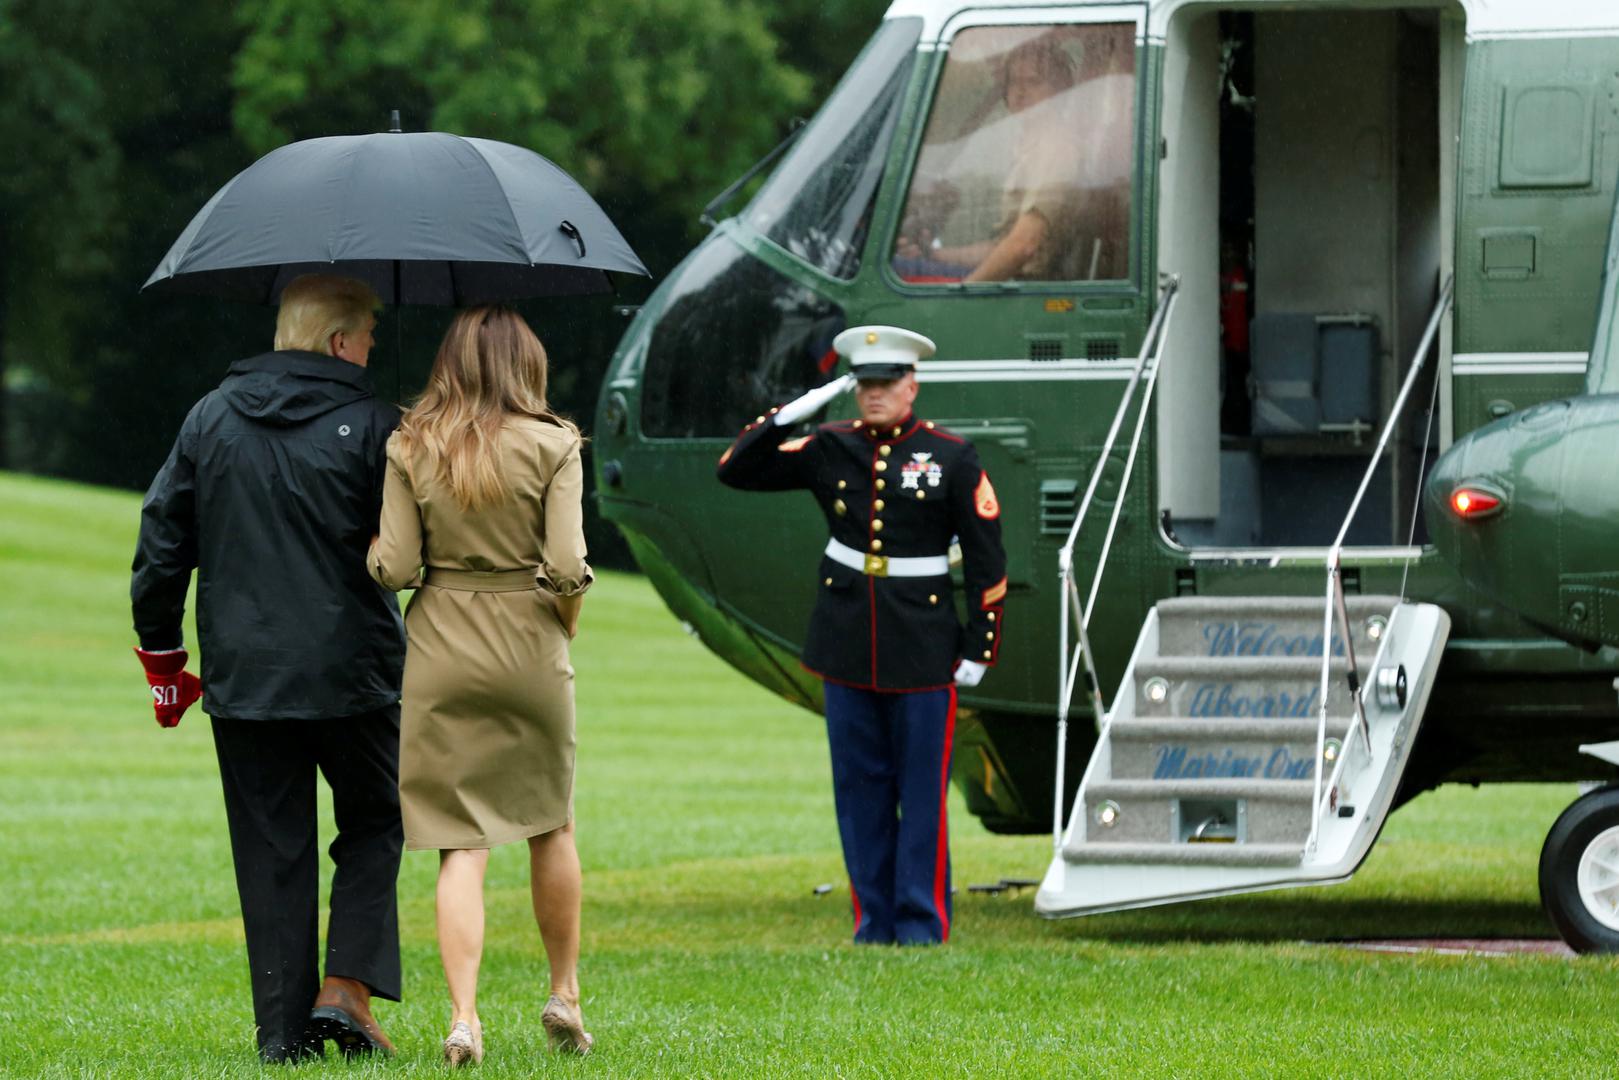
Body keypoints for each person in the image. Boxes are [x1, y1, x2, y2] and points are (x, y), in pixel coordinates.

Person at [130, 273, 406, 1062]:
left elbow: (160, 547)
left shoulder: (208, 418)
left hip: (244, 674)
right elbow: (403, 552)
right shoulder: (375, 423)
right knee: (378, 818)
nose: (372, 350)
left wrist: (163, 653)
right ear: (337, 342)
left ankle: (285, 1037)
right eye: (369, 338)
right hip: (355, 670)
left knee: (270, 848)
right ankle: (345, 989)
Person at [716, 325, 1008, 945]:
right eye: (864, 384)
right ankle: (873, 923)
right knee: (860, 792)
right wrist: (794, 412)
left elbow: (987, 558)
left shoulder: (952, 456)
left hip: (925, 644)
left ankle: (922, 923)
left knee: (921, 793)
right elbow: (736, 470)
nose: (873, 395)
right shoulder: (829, 445)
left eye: (886, 383)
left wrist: (981, 644)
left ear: (912, 385)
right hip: (847, 640)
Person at [367, 306, 594, 1064]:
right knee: (550, 824)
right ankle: (563, 993)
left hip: (440, 647)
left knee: (458, 843)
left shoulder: (410, 443)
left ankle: (464, 1016)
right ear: (526, 366)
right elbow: (565, 564)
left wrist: (371, 549)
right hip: (530, 640)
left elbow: (395, 569)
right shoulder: (555, 443)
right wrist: (564, 616)